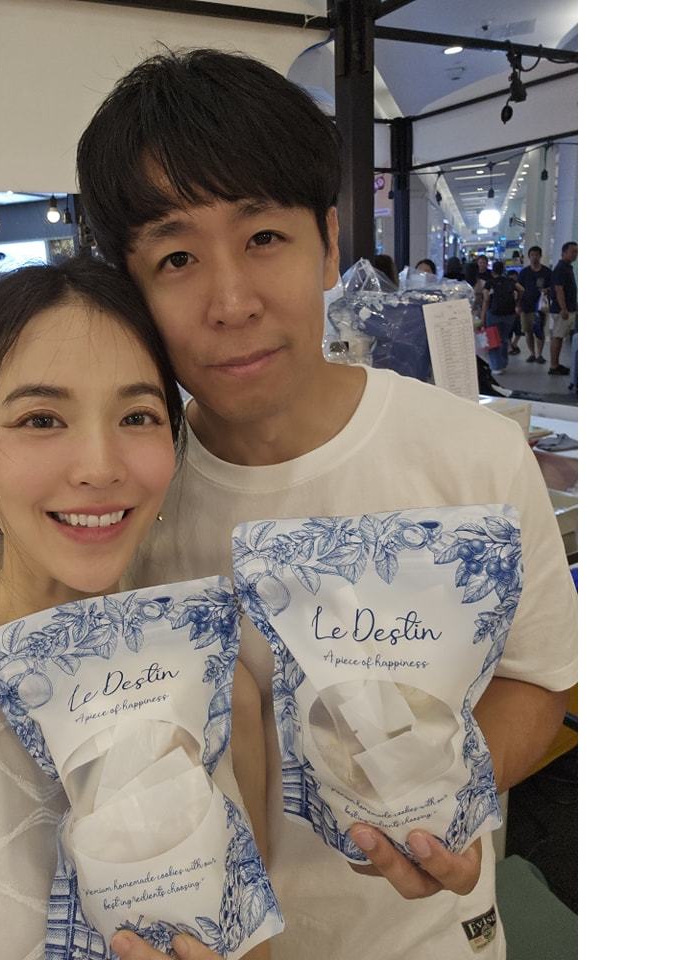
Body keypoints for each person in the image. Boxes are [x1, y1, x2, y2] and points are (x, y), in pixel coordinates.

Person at [77, 48, 576, 960]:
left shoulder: (471, 454)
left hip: (424, 938)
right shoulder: (122, 505)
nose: (232, 301)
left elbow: (540, 677)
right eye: (177, 257)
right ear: (131, 287)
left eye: (264, 238)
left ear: (330, 242)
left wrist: (439, 807)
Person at [0, 259, 269, 960]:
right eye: (42, 419)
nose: (99, 466)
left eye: (137, 416)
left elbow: (250, 944)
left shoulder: (221, 687)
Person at [481, 261, 524, 374]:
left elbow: (486, 299)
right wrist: (517, 302)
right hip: (509, 314)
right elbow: (521, 289)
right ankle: (503, 363)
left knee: (493, 339)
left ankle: (496, 366)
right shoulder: (510, 281)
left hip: (494, 314)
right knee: (504, 338)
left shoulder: (489, 283)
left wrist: (483, 316)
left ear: (493, 271)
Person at [517, 245, 554, 364]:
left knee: (539, 330)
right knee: (528, 331)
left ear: (540, 256)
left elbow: (553, 286)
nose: (534, 257)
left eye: (536, 255)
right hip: (526, 306)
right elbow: (518, 288)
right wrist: (518, 304)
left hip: (540, 306)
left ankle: (540, 354)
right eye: (532, 255)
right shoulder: (524, 272)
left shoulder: (547, 272)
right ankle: (532, 353)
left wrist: (547, 290)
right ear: (529, 257)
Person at [548, 241, 578, 376]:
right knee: (558, 336)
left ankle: (556, 364)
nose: (575, 254)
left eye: (576, 252)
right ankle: (554, 366)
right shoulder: (561, 268)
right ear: (564, 252)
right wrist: (563, 308)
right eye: (573, 251)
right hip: (562, 310)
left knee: (560, 337)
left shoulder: (567, 267)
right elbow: (559, 289)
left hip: (568, 308)